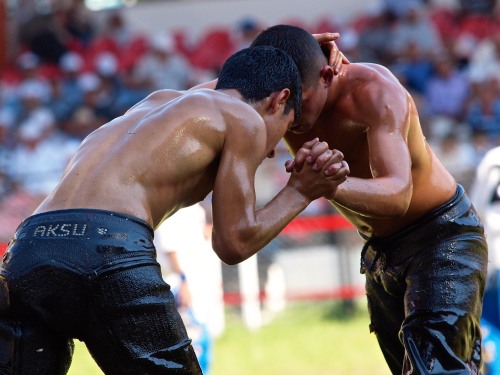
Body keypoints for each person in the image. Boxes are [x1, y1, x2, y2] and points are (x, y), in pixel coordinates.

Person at [0, 45, 349, 374]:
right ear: (280, 99)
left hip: (27, 250)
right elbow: (234, 243)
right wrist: (302, 190)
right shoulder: (245, 119)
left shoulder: (157, 103)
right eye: (286, 130)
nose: (273, 150)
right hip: (106, 248)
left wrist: (291, 51)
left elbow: (234, 81)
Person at [249, 25, 488, 374]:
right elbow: (211, 95)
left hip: (442, 238)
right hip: (382, 252)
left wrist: (325, 185)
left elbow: (397, 195)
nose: (292, 118)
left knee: (434, 369)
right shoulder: (279, 95)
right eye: (283, 106)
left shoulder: (373, 91)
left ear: (328, 75)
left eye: (302, 102)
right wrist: (286, 49)